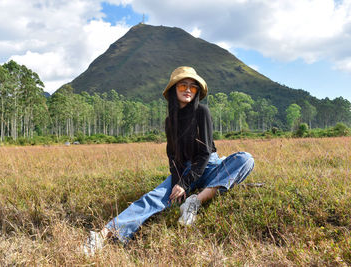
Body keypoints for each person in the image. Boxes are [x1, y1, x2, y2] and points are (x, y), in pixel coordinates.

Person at [83, 66, 254, 255]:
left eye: (193, 87)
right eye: (183, 85)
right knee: (153, 198)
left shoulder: (202, 112)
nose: (188, 90)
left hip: (210, 165)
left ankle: (194, 201)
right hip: (186, 169)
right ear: (174, 89)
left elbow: (205, 152)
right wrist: (177, 182)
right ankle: (102, 235)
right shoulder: (169, 121)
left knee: (245, 159)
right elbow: (173, 156)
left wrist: (186, 184)